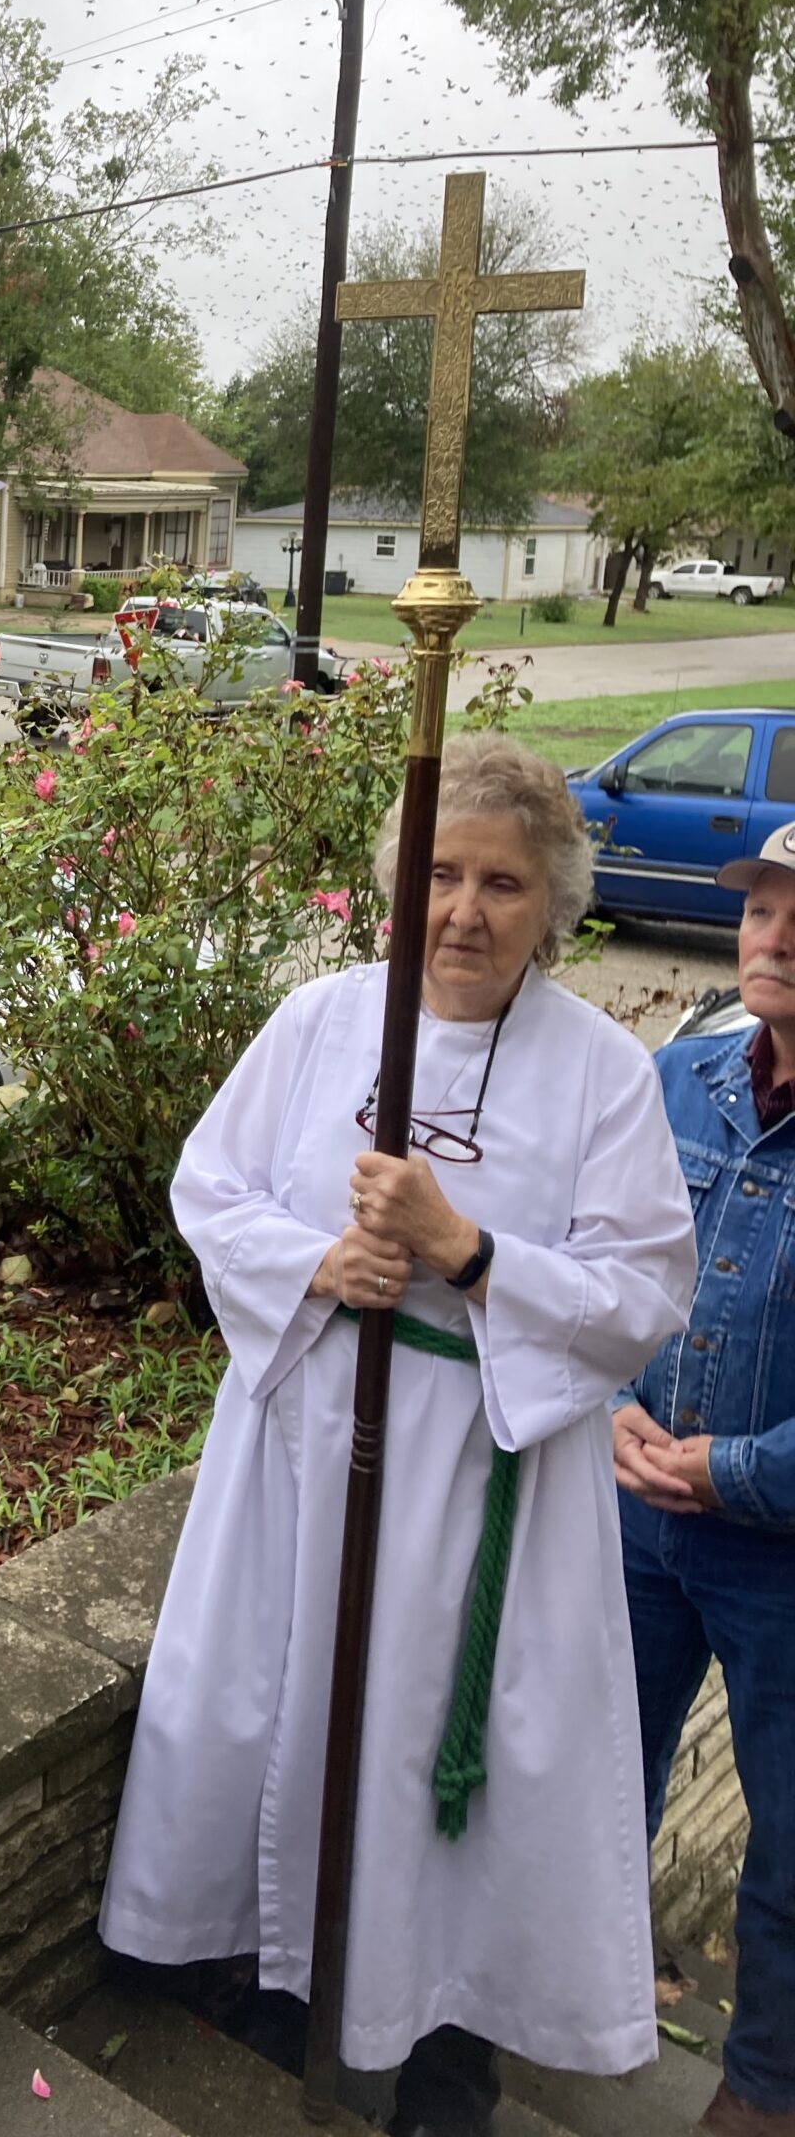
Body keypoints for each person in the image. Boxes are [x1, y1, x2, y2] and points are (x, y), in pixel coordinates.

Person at [100, 733, 698, 2137]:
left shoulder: (604, 1070)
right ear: (397, 886)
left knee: (445, 1752)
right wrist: (322, 1266)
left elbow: (643, 1289)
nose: (466, 912)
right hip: (309, 1436)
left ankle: (445, 2043)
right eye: (440, 873)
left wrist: (471, 1254)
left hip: (479, 1474)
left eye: (502, 881)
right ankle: (273, 1974)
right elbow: (213, 1183)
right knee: (278, 1702)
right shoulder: (323, 1021)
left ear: (553, 904)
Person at [617, 820, 795, 2137]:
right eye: (760, 909)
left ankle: (764, 2088)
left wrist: (728, 1472)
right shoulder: (680, 1078)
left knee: (787, 1841)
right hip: (631, 1517)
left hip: (774, 1552)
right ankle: (574, 1993)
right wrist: (612, 1411)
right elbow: (606, 1266)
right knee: (583, 1767)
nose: (772, 936)